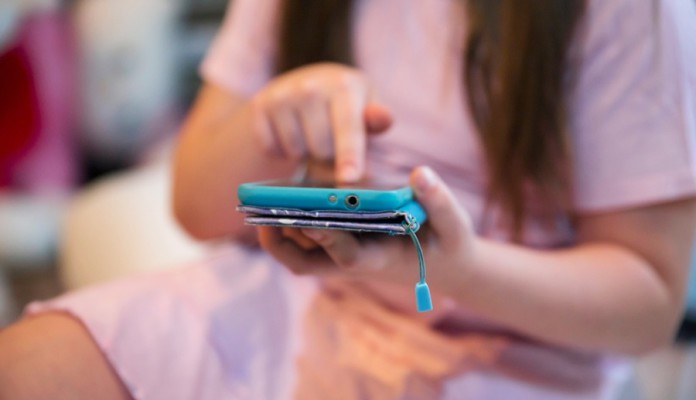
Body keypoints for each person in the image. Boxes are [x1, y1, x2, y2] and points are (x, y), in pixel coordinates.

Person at [1, 0, 696, 398]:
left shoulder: (631, 15)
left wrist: (456, 267)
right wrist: (269, 121)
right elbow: (196, 206)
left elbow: (648, 304)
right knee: (31, 368)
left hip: (511, 354)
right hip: (295, 299)